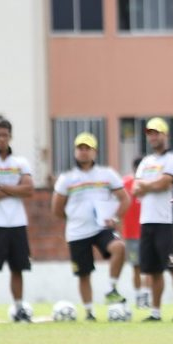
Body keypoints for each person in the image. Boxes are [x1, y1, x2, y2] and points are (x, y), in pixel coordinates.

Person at [51, 132, 129, 321]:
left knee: (119, 247)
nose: (84, 152)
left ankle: (111, 288)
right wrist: (74, 218)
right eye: (80, 148)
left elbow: (124, 198)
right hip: (77, 232)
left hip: (101, 228)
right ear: (75, 151)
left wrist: (115, 218)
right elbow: (57, 208)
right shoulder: (67, 178)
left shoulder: (106, 174)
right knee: (84, 273)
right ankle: (89, 312)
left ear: (94, 152)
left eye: (88, 148)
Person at [132, 117, 173, 322]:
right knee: (153, 270)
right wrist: (149, 184)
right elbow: (135, 189)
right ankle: (155, 311)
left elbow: (164, 183)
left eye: (157, 133)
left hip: (168, 221)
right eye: (150, 133)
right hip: (147, 220)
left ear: (166, 135)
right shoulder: (146, 162)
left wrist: (146, 185)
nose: (154, 137)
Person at [0, 118, 34, 322]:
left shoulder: (20, 162)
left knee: (18, 268)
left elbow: (29, 189)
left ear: (10, 136)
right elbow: (21, 189)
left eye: (5, 135)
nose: (2, 139)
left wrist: (2, 188)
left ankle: (19, 307)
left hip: (17, 223)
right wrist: (15, 190)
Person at [122, 157, 151, 308]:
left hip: (147, 231)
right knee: (136, 266)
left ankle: (146, 295)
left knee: (149, 267)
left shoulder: (150, 185)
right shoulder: (125, 183)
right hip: (131, 233)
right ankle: (138, 296)